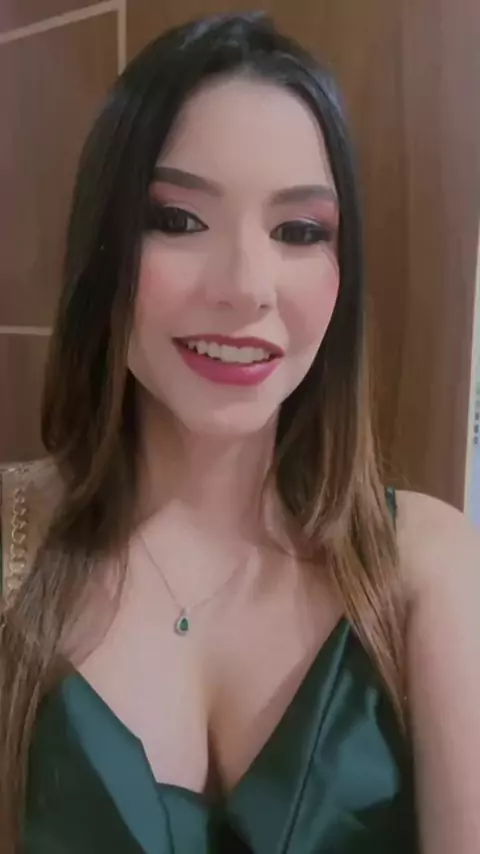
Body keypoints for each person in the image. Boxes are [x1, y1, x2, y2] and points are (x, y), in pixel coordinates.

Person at [1, 12, 479, 854]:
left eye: (300, 231)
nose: (247, 286)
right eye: (180, 220)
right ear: (104, 244)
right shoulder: (14, 548)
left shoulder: (428, 572)